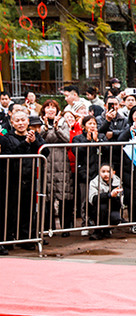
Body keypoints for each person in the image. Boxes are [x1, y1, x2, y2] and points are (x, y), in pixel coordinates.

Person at [5, 109, 46, 249]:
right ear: (12, 122)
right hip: (13, 178)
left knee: (28, 211)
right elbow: (12, 154)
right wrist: (26, 143)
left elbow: (45, 151)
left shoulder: (36, 135)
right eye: (17, 120)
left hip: (31, 178)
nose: (21, 123)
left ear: (28, 122)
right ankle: (8, 238)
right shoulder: (8, 137)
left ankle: (26, 238)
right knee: (10, 210)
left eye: (23, 120)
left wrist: (34, 142)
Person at [39, 100, 75, 234]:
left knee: (64, 194)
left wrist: (56, 128)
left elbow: (66, 139)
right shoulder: (40, 122)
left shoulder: (63, 122)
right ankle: (49, 227)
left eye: (53, 107)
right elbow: (39, 138)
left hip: (61, 160)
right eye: (47, 107)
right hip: (45, 160)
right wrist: (45, 127)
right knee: (47, 195)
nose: (50, 110)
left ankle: (65, 227)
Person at [87, 164, 124, 240]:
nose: (106, 174)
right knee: (102, 207)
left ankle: (107, 230)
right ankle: (98, 231)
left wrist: (115, 196)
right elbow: (93, 199)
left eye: (108, 171)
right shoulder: (94, 182)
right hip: (97, 209)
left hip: (112, 208)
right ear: (99, 172)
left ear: (113, 172)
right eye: (103, 172)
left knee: (116, 218)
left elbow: (120, 203)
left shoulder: (117, 181)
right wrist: (109, 195)